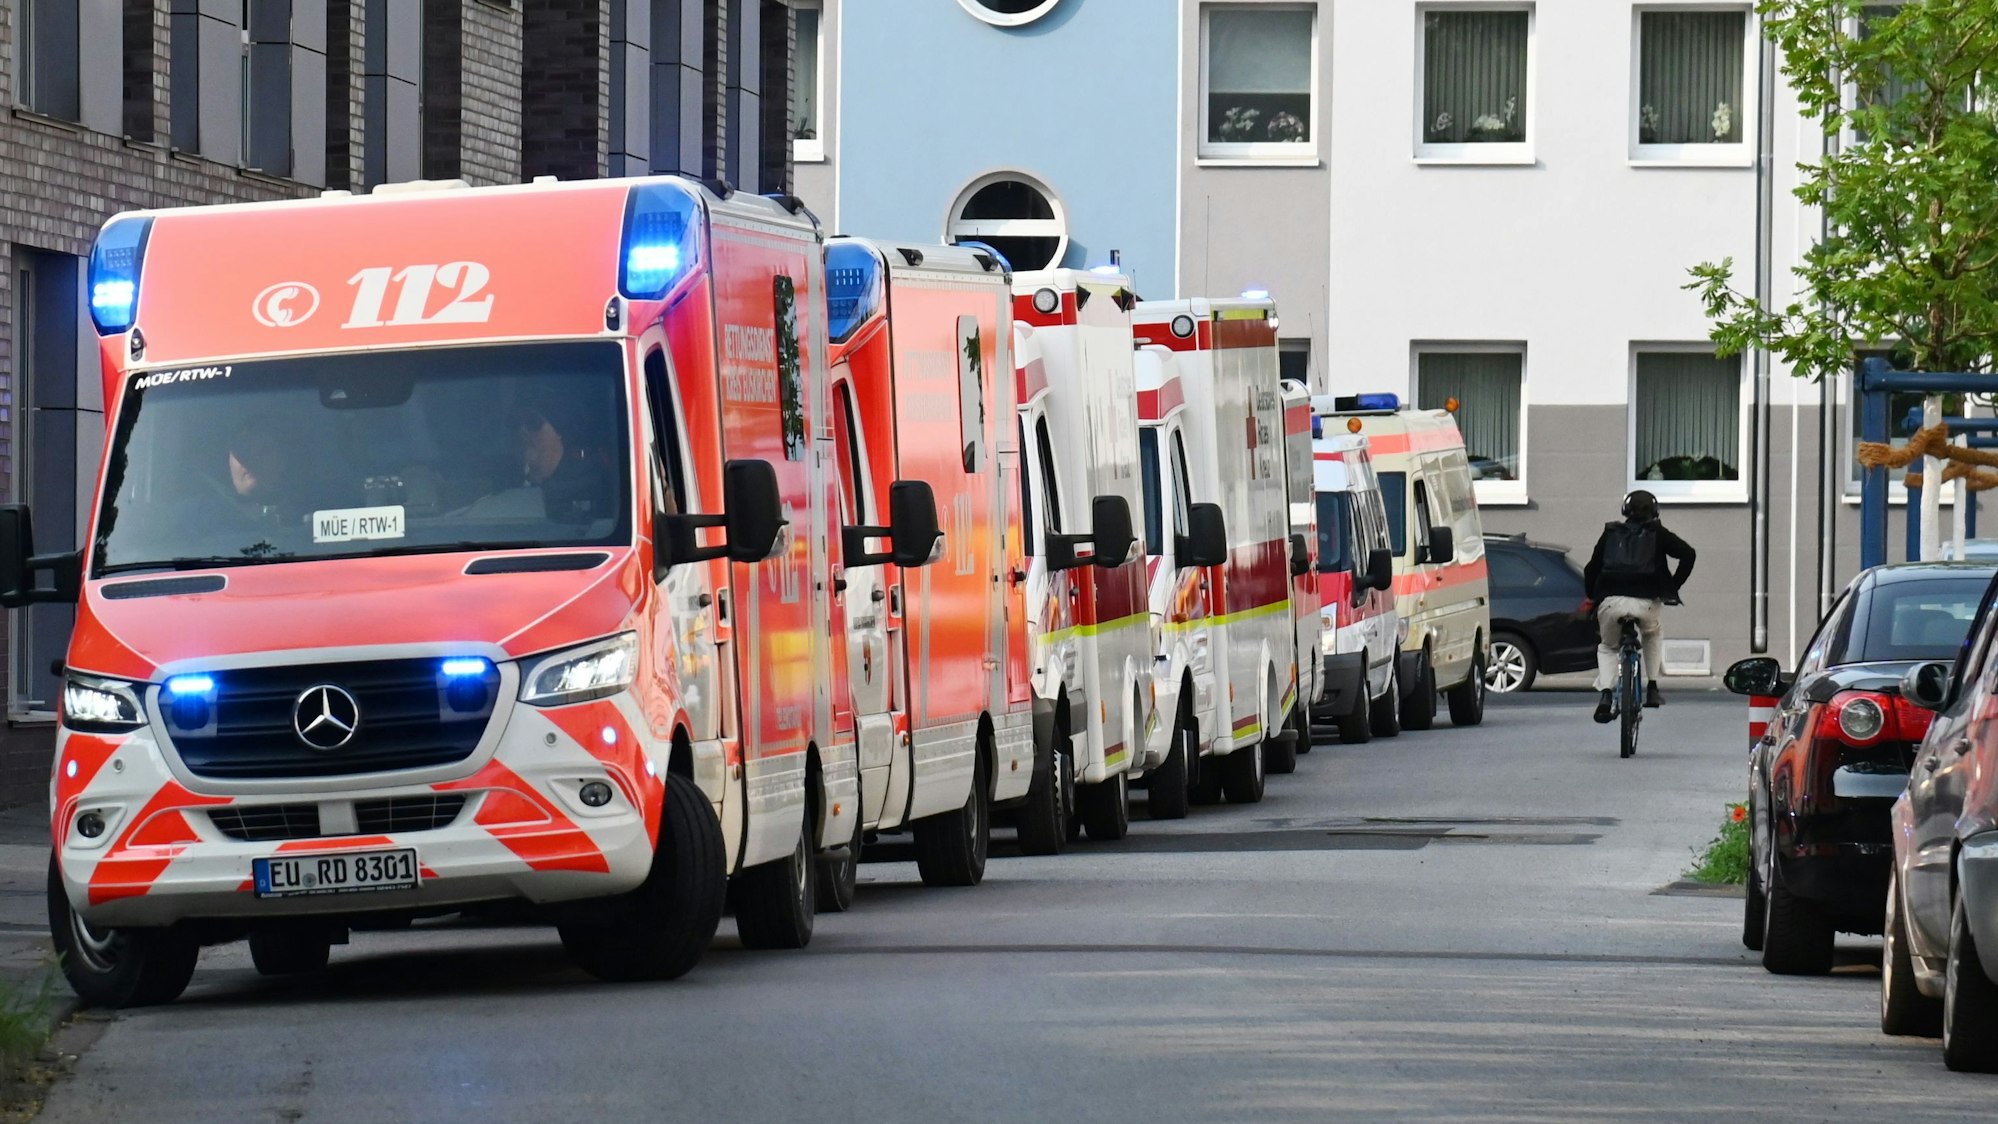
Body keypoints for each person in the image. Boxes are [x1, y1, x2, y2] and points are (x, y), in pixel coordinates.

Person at [1583, 489, 1696, 723]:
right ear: (1654, 511)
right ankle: (1652, 687)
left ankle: (1605, 696)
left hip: (1611, 602)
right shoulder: (1658, 533)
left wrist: (1592, 596)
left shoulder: (1611, 533)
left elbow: (1590, 569)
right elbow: (1689, 554)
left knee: (1607, 647)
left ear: (1625, 510)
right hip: (1647, 602)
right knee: (1652, 632)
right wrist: (1672, 585)